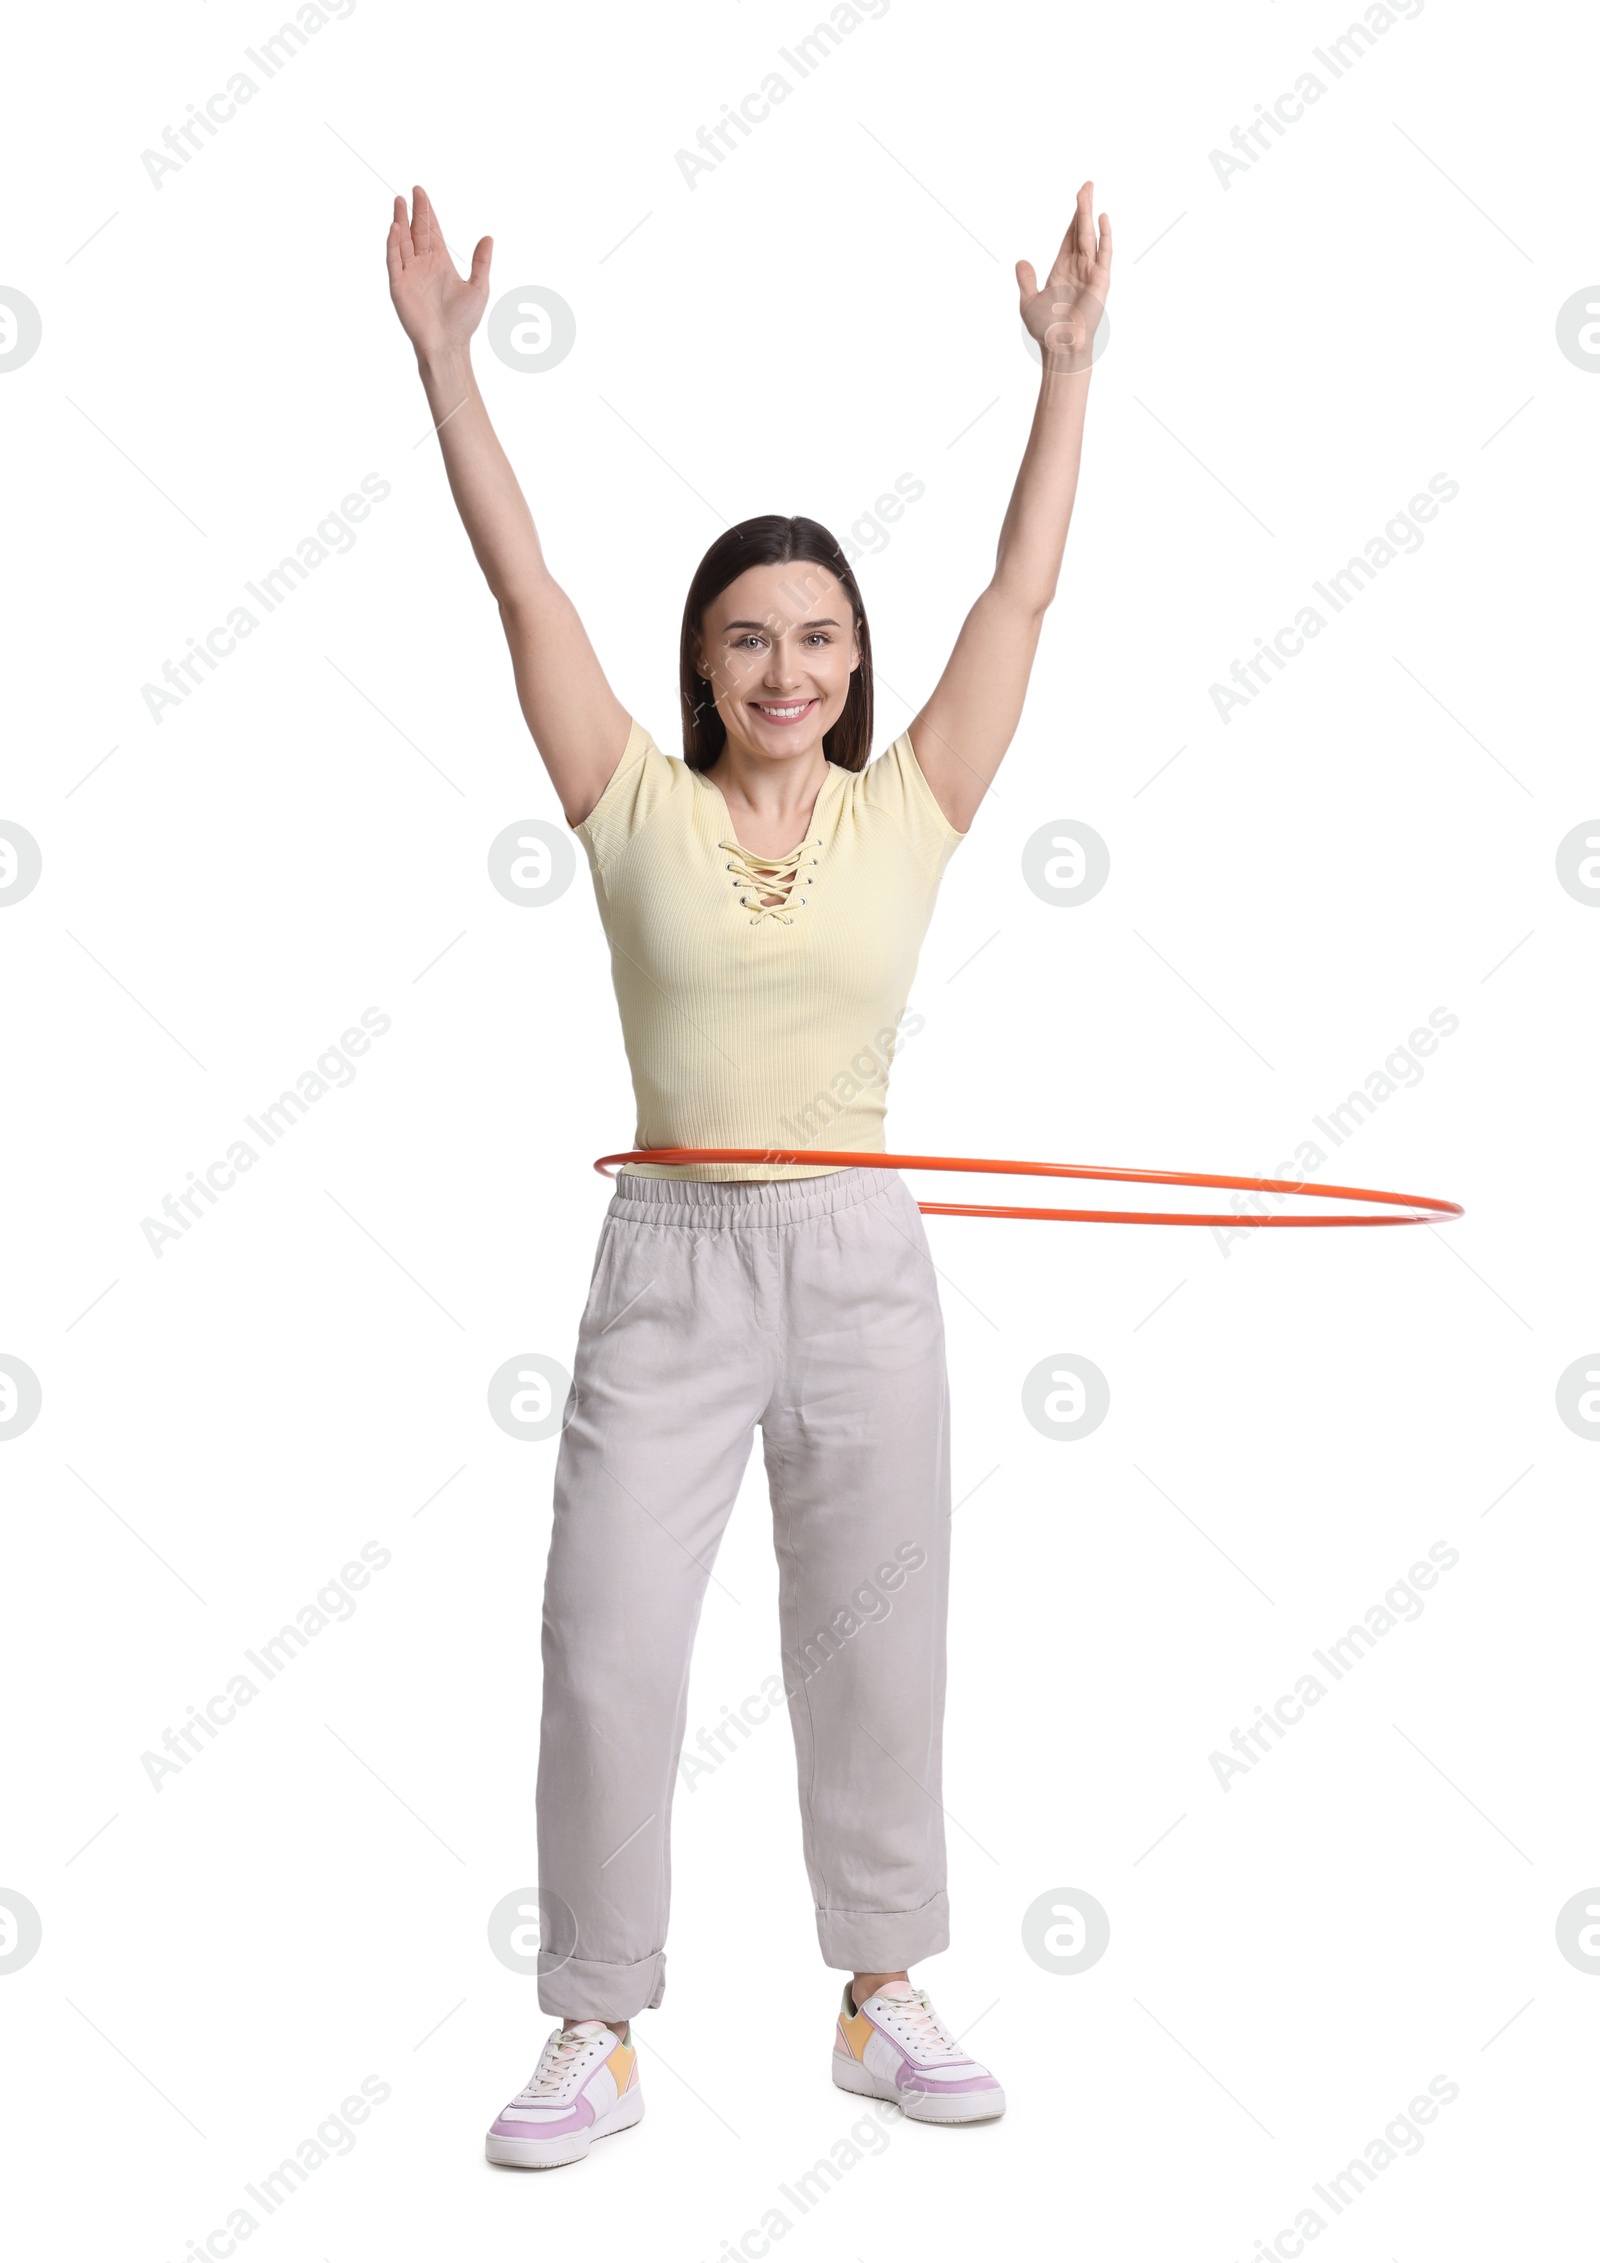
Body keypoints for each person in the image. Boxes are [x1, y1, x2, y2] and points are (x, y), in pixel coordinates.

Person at [385, 178, 1111, 2171]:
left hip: (859, 1255)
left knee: (878, 1631)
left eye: (814, 639)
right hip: (671, 1259)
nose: (783, 669)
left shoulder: (907, 812)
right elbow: (525, 592)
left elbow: (1019, 600)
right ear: (700, 669)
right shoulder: (629, 807)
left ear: (851, 661)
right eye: (745, 642)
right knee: (604, 1636)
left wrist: (1063, 376)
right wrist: (449, 366)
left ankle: (882, 1993)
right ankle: (593, 2020)